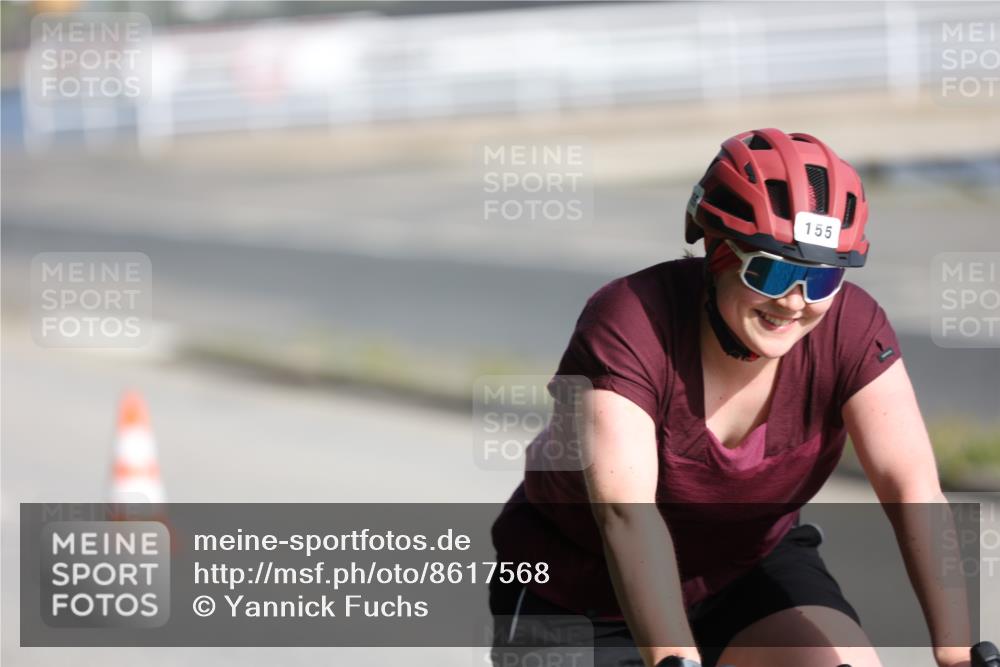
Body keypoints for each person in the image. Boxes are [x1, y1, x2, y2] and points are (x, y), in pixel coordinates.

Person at [489, 128, 971, 667]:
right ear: (717, 251)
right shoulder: (629, 320)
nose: (795, 303)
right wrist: (676, 658)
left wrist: (956, 651)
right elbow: (626, 513)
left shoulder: (851, 327)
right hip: (580, 589)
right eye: (773, 270)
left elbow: (914, 491)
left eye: (822, 277)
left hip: (746, 569)